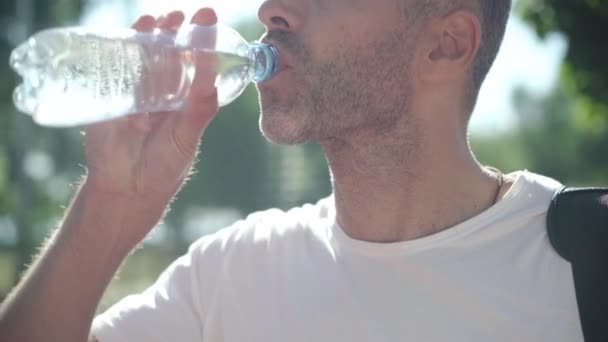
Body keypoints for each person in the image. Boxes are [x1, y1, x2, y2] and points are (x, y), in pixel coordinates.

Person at [0, 1, 584, 341]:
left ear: (446, 44)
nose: (269, 10)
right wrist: (109, 204)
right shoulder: (229, 276)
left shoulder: (581, 267)